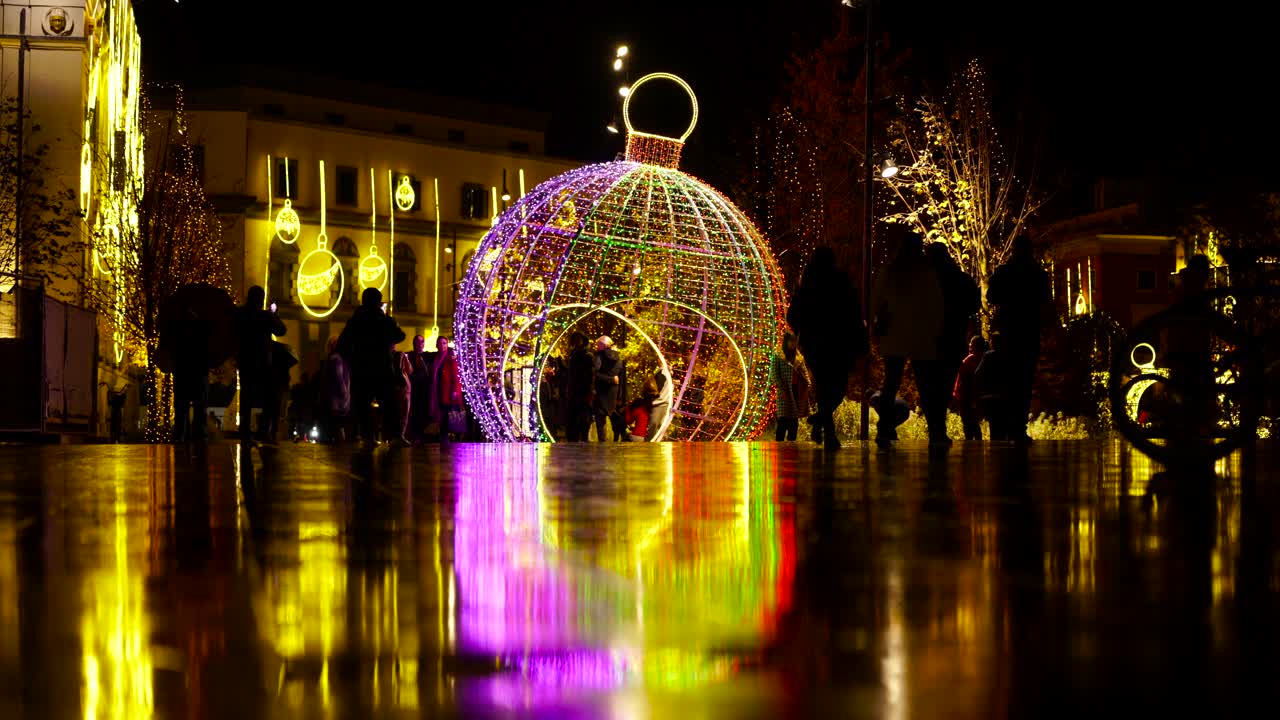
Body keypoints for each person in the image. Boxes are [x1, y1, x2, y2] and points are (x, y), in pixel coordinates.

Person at [786, 246, 867, 450]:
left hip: (815, 344)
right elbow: (854, 311)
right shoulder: (841, 281)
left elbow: (792, 315)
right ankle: (827, 430)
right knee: (837, 387)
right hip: (838, 342)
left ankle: (822, 421)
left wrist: (801, 331)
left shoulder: (807, 284)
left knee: (824, 387)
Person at [872, 236, 945, 448]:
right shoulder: (926, 273)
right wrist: (935, 330)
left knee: (891, 382)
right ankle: (936, 430)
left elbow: (877, 301)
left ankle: (884, 428)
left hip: (894, 334)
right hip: (921, 335)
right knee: (927, 385)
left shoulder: (890, 271)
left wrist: (877, 325)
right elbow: (936, 303)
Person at [986, 235, 1051, 444]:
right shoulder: (1038, 274)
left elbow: (991, 296)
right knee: (1024, 380)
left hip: (1008, 331)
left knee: (1008, 380)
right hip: (1029, 330)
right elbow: (1045, 302)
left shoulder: (1004, 272)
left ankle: (1007, 426)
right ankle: (1018, 428)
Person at [336, 287, 405, 445]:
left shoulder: (355, 321)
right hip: (383, 368)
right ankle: (394, 436)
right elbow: (400, 335)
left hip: (362, 369)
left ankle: (369, 436)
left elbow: (342, 345)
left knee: (363, 404)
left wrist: (352, 359)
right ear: (378, 302)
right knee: (389, 403)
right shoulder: (384, 320)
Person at [928, 242, 980, 445]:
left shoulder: (926, 280)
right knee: (945, 384)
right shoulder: (961, 279)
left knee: (930, 385)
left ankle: (936, 428)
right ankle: (938, 428)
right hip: (954, 337)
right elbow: (975, 304)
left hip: (929, 340)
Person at [235, 286, 285, 444]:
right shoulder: (265, 316)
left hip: (244, 361)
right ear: (261, 299)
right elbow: (281, 330)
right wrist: (274, 315)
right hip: (263, 362)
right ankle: (263, 430)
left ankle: (245, 432)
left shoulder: (240, 314)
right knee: (271, 397)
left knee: (246, 397)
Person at [168, 309, 212, 443]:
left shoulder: (177, 332)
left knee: (182, 407)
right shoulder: (202, 331)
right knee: (199, 407)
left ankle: (181, 435)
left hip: (183, 373)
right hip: (197, 373)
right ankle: (198, 435)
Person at [975, 332, 1014, 440]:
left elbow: (978, 373)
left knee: (994, 427)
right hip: (1005, 396)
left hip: (991, 397)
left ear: (993, 342)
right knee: (1004, 426)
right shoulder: (1008, 356)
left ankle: (996, 448)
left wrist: (981, 390)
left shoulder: (988, 355)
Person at [428, 336, 463, 443]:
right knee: (442, 412)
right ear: (436, 345)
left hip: (448, 391)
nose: (442, 345)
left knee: (448, 413)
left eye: (444, 343)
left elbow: (456, 375)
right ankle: (443, 435)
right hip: (438, 389)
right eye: (440, 343)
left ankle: (448, 436)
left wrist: (455, 390)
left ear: (447, 345)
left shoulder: (450, 358)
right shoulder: (435, 358)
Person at [953, 335, 989, 440]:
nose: (969, 346)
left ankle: (970, 443)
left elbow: (964, 376)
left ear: (975, 346)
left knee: (968, 421)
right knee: (973, 421)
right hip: (975, 395)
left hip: (966, 395)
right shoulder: (983, 358)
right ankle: (976, 442)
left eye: (971, 344)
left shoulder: (971, 359)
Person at [317, 336, 351, 442]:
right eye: (333, 343)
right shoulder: (337, 358)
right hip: (338, 397)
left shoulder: (333, 358)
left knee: (336, 423)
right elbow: (339, 377)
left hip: (335, 397)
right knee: (338, 424)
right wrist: (345, 392)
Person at [592, 336, 626, 442]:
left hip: (601, 393)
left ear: (603, 345)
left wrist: (609, 379)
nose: (597, 347)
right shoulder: (619, 358)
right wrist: (620, 396)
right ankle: (619, 439)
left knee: (601, 422)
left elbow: (595, 374)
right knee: (615, 419)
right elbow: (621, 379)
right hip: (614, 394)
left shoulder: (599, 356)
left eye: (598, 345)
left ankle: (602, 444)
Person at [771, 332, 804, 441]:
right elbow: (774, 374)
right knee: (783, 420)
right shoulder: (778, 355)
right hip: (784, 390)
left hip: (796, 390)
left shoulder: (798, 356)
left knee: (794, 421)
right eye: (791, 340)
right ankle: (779, 445)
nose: (794, 343)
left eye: (795, 341)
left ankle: (791, 445)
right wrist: (782, 389)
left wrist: (807, 386)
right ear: (786, 341)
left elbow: (804, 372)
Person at [565, 332, 594, 441]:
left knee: (583, 416)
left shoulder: (586, 356)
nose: (577, 342)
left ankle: (582, 437)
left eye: (579, 339)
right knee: (574, 416)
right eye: (575, 339)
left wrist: (589, 391)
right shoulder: (573, 355)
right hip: (573, 391)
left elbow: (589, 375)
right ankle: (575, 438)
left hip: (583, 390)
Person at [406, 335, 435, 444]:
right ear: (414, 343)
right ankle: (414, 435)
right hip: (413, 390)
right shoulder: (409, 355)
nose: (420, 344)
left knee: (424, 413)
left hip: (425, 390)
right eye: (417, 342)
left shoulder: (428, 355)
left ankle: (421, 436)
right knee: (413, 413)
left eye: (422, 341)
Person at [390, 342, 413, 444]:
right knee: (403, 412)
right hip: (402, 387)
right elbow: (409, 370)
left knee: (398, 412)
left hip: (397, 387)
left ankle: (396, 436)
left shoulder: (388, 356)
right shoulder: (399, 354)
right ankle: (400, 436)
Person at [646, 366, 673, 441]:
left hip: (663, 404)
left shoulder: (663, 373)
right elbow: (657, 390)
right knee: (654, 427)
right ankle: (650, 445)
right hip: (659, 404)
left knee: (659, 428)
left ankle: (654, 444)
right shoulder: (662, 373)